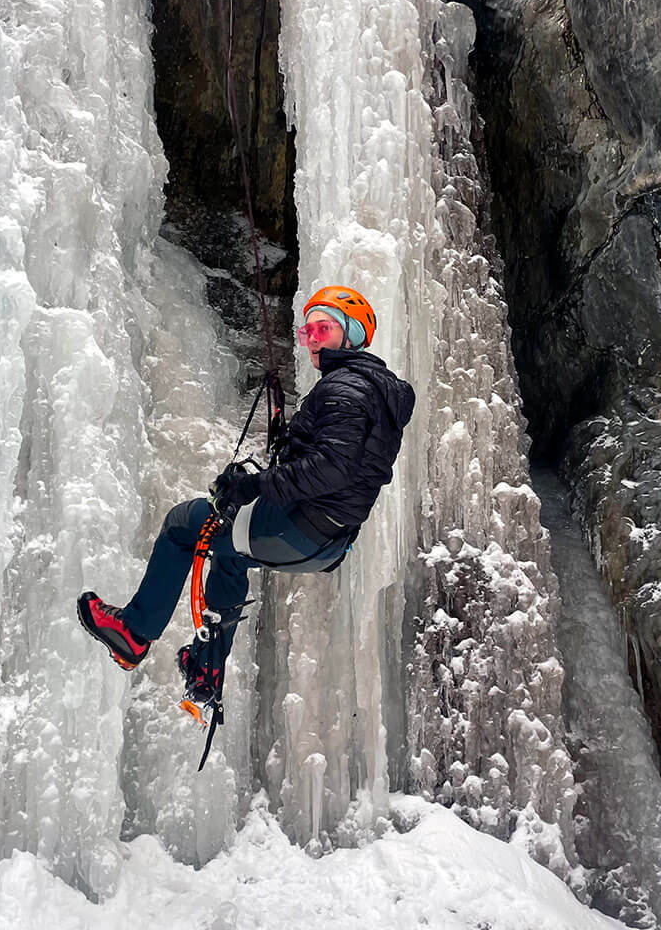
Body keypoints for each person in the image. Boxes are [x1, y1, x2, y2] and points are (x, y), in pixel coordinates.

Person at [77, 285, 415, 706]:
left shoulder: (345, 388)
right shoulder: (375, 394)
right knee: (229, 552)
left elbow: (332, 468)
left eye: (322, 329)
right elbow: (341, 466)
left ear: (351, 335)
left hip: (297, 528)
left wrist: (255, 485)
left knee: (183, 525)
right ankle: (206, 668)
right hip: (328, 545)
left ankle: (133, 633)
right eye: (306, 331)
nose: (311, 339)